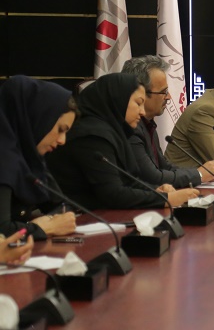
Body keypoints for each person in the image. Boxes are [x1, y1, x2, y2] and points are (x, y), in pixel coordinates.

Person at [48, 73, 198, 210]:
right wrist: (166, 199)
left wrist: (155, 190)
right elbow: (113, 194)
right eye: (138, 103)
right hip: (76, 219)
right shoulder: (93, 135)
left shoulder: (114, 131)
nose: (142, 112)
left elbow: (129, 181)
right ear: (117, 100)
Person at [122, 56, 214, 187]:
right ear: (140, 92)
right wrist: (199, 174)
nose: (169, 97)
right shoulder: (131, 128)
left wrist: (201, 172)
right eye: (163, 92)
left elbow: (165, 167)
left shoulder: (147, 124)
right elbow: (153, 178)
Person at [0, 76, 78, 241]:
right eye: (60, 129)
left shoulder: (28, 158)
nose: (62, 141)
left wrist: (49, 222)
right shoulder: (4, 158)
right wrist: (45, 227)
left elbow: (63, 207)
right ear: (36, 118)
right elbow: (2, 231)